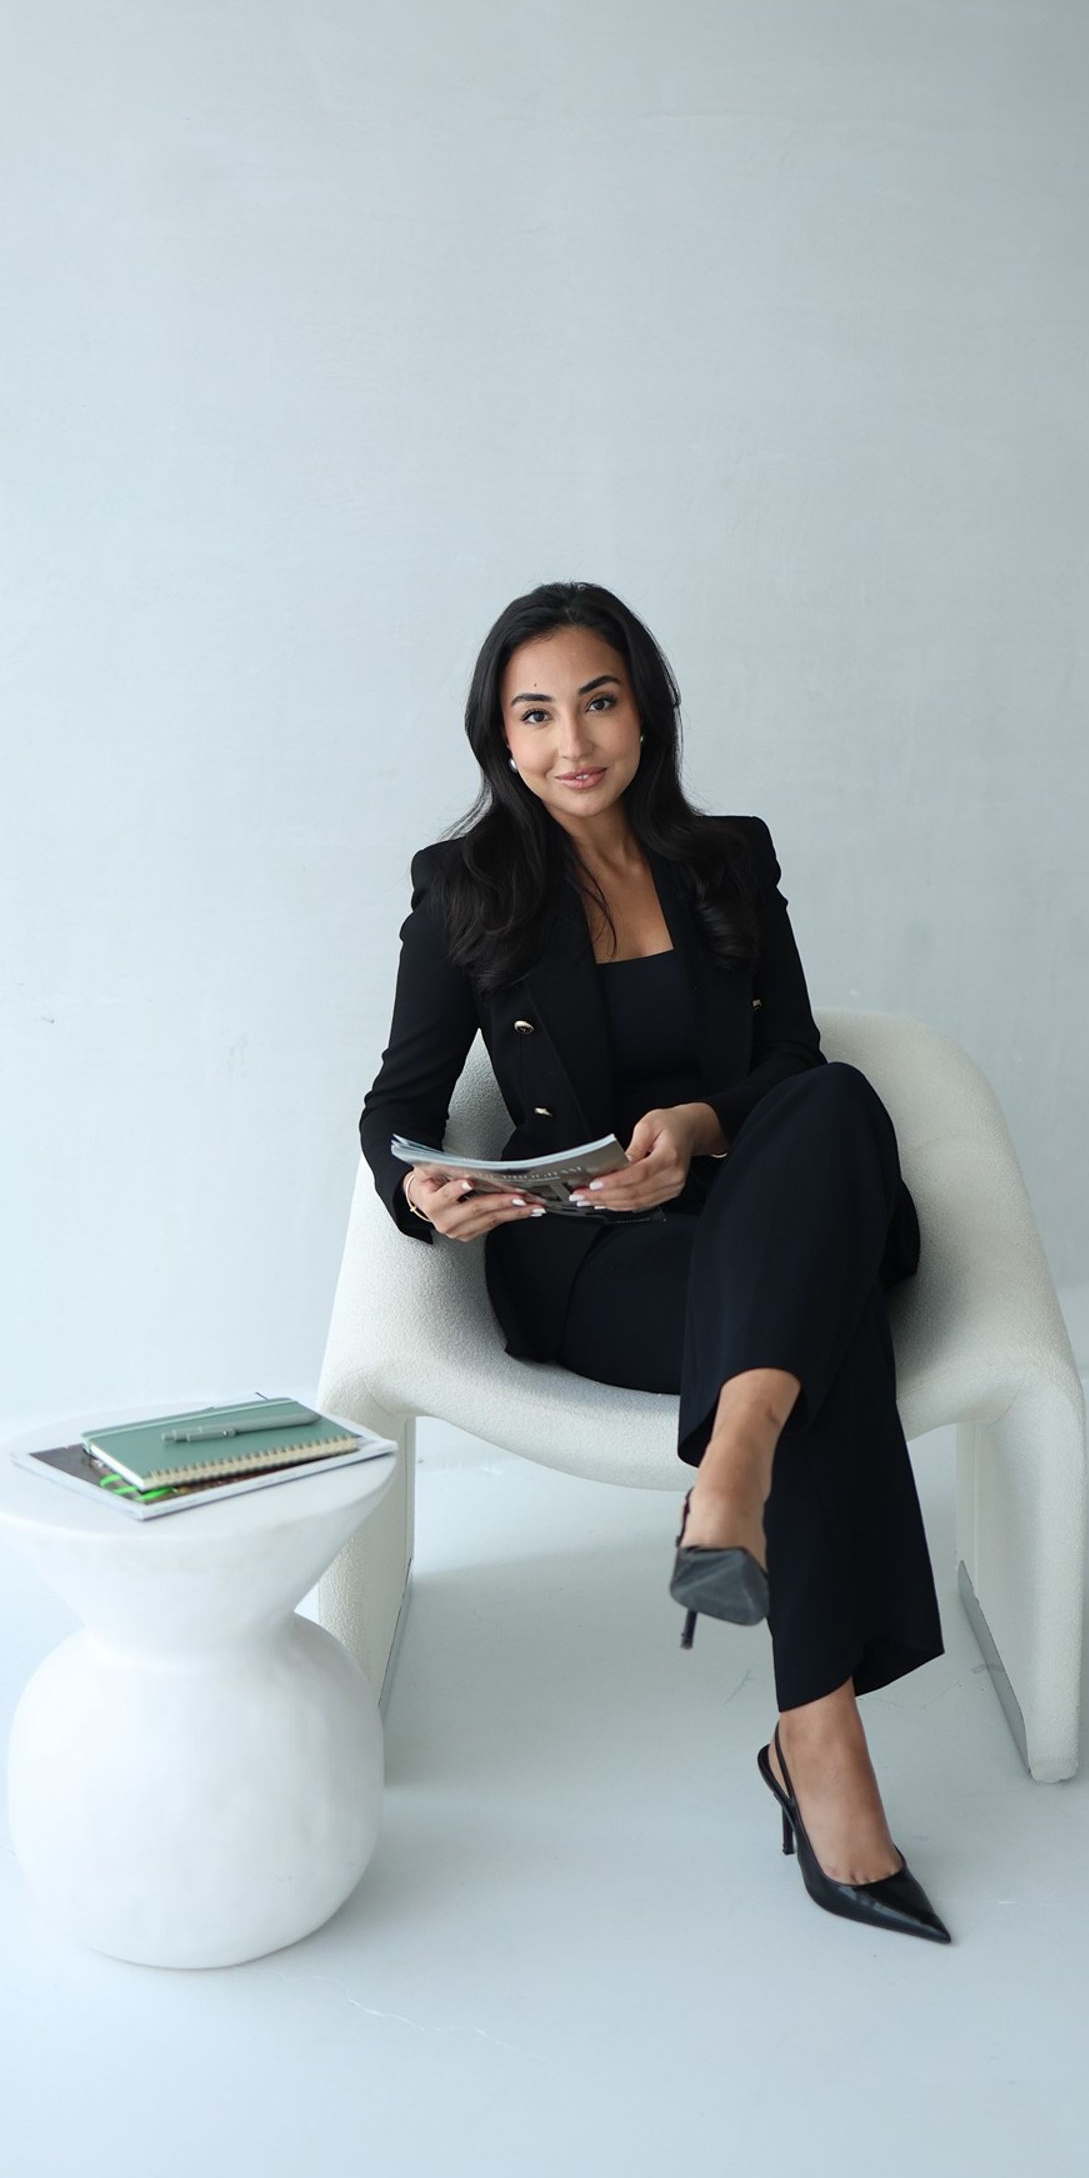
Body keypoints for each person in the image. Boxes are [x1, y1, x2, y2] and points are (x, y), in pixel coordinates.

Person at [359, 580, 951, 1945]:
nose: (573, 742)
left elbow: (790, 1063)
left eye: (600, 703)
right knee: (817, 1330)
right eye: (537, 715)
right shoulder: (464, 887)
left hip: (761, 1209)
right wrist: (422, 1191)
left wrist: (696, 1129)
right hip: (594, 1258)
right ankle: (820, 1747)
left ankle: (733, 1466)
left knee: (835, 1099)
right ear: (500, 737)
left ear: (648, 713)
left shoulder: (728, 858)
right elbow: (396, 1104)